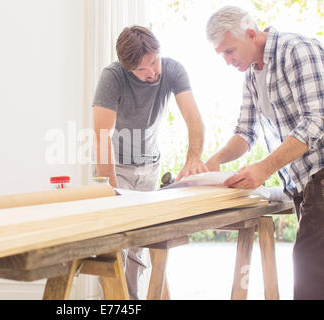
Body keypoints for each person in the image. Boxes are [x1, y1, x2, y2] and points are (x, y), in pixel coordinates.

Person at [205, 6, 324, 299]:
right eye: (221, 54)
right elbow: (245, 133)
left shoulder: (296, 51)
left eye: (230, 51)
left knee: (309, 278)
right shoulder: (251, 75)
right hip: (305, 186)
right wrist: (213, 162)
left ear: (251, 34)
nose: (227, 61)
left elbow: (316, 120)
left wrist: (264, 168)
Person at [92, 26, 208, 300]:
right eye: (144, 69)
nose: (153, 72)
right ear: (127, 67)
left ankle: (131, 299)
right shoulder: (112, 77)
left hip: (149, 167)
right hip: (115, 166)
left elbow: (194, 118)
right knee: (113, 243)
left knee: (139, 246)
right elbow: (100, 136)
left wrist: (193, 158)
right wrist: (109, 189)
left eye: (154, 61)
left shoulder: (172, 70)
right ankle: (117, 300)